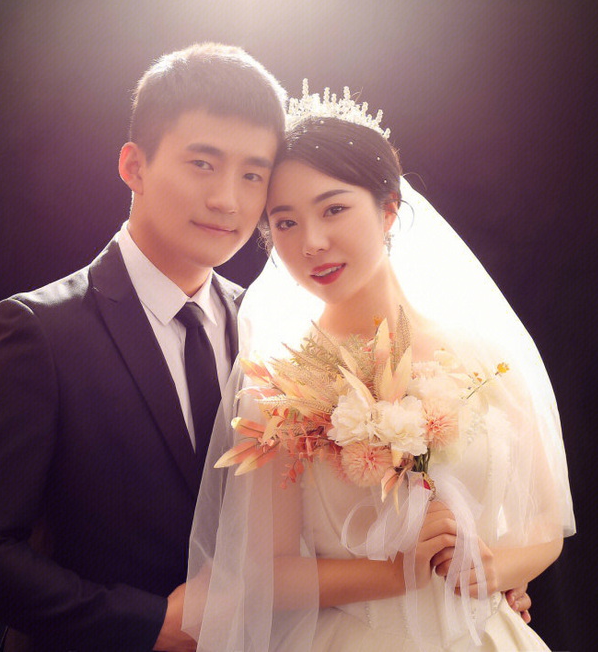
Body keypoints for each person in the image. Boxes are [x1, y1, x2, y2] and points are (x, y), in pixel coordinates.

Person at [184, 86, 575, 651]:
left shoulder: (484, 357)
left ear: (389, 208)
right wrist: (396, 574)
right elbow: (268, 571)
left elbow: (545, 523)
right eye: (285, 223)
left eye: (333, 209)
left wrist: (497, 570)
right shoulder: (280, 387)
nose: (312, 243)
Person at [0, 43, 286, 651]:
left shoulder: (268, 325)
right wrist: (148, 624)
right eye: (203, 164)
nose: (228, 199)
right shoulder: (39, 331)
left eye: (253, 174)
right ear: (134, 166)